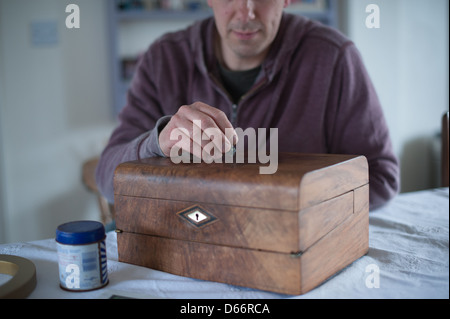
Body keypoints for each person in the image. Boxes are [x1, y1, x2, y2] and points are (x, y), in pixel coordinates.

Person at [96, 0, 400, 210]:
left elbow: (381, 176)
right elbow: (108, 180)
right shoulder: (163, 59)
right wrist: (157, 141)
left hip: (295, 249)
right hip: (191, 245)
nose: (246, 13)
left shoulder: (334, 58)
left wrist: (295, 204)